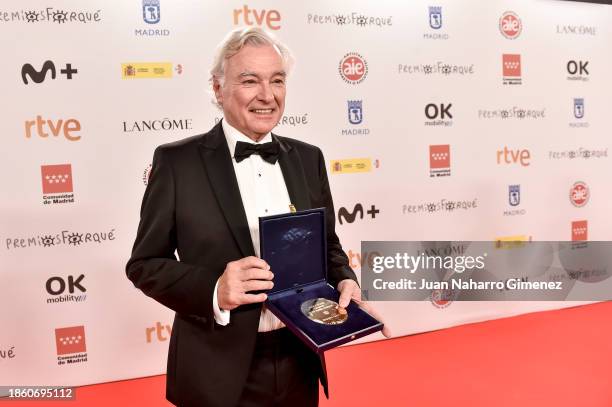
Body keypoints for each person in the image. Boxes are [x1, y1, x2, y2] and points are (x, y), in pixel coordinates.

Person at [126, 27, 386, 407]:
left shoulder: (308, 157)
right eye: (250, 81)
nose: (267, 95)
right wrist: (215, 288)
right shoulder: (176, 162)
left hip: (300, 357)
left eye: (277, 80)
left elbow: (327, 244)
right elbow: (144, 265)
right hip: (215, 368)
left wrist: (345, 278)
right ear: (218, 89)